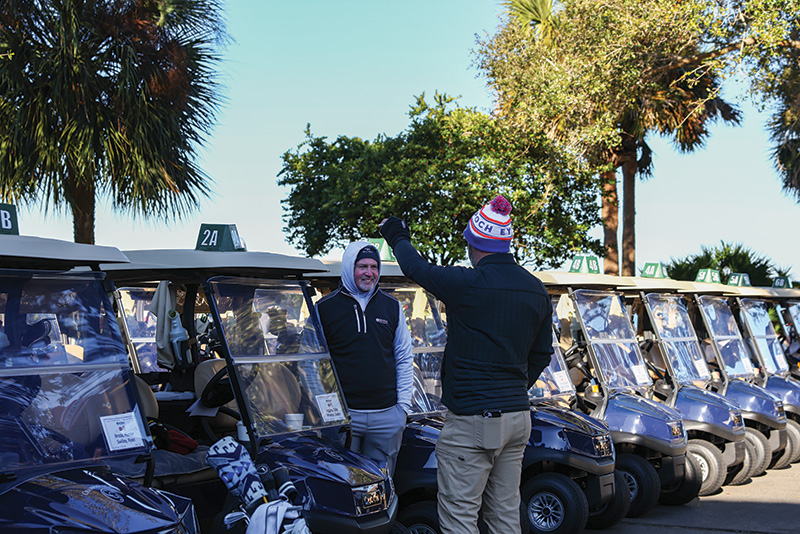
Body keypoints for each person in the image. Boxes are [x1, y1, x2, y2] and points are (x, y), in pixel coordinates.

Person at [379, 195, 553, 534]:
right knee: (504, 514)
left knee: (459, 517)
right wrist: (513, 388)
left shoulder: (469, 283)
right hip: (518, 417)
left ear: (476, 244)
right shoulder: (536, 289)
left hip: (474, 419)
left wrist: (396, 235)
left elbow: (416, 268)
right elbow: (543, 354)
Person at [315, 241, 413, 475]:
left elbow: (404, 356)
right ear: (349, 268)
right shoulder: (324, 307)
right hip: (343, 417)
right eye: (362, 266)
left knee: (382, 484)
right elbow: (311, 363)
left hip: (387, 416)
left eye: (374, 266)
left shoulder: (392, 306)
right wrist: (326, 413)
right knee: (341, 483)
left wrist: (403, 409)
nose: (369, 273)